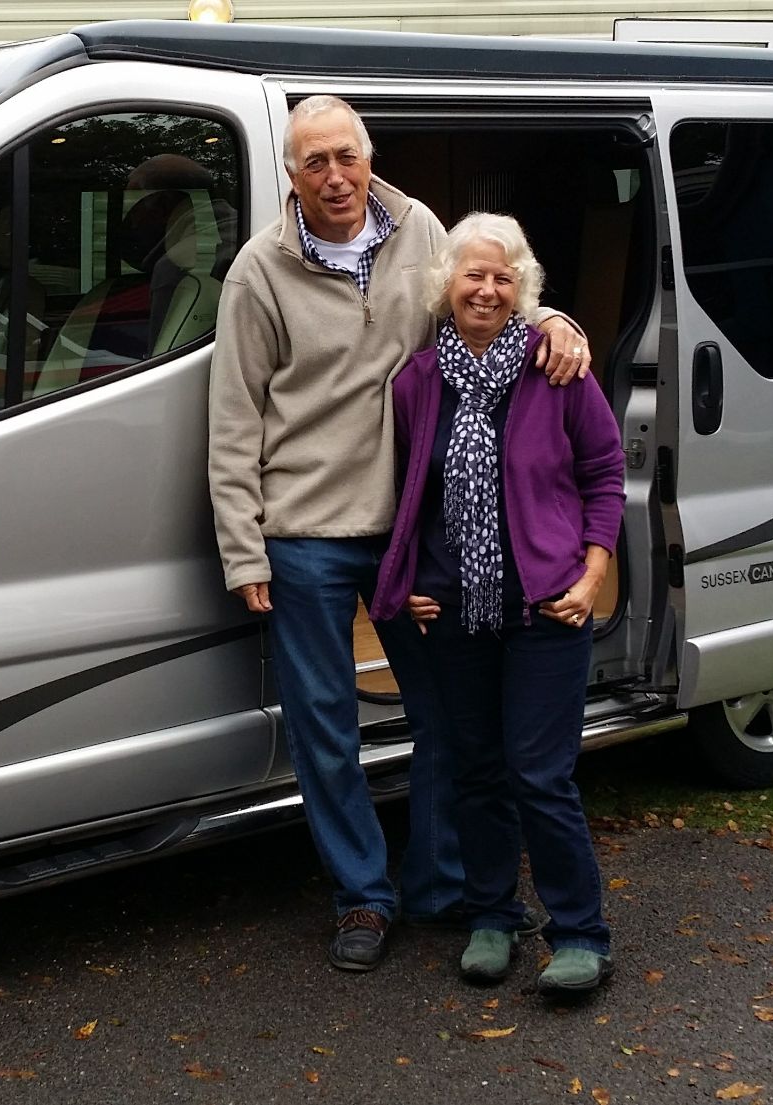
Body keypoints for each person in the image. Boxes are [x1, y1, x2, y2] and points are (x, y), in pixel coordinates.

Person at [207, 95, 593, 972]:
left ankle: (440, 884)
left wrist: (553, 324)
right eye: (316, 163)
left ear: (368, 156)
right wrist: (243, 543)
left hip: (412, 527)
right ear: (291, 174)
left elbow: (484, 294)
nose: (336, 177)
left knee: (447, 719)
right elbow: (233, 418)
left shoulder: (420, 226)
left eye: (347, 156)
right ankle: (363, 898)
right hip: (302, 534)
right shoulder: (258, 272)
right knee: (325, 728)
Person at [370, 212, 626, 995]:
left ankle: (580, 932)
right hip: (452, 611)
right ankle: (492, 915)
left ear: (524, 291)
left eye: (502, 277)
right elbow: (408, 490)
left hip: (547, 609)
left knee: (538, 775)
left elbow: (606, 472)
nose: (486, 289)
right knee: (475, 770)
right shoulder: (417, 380)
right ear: (446, 285)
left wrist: (590, 578)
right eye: (472, 275)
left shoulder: (557, 369)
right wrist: (408, 573)